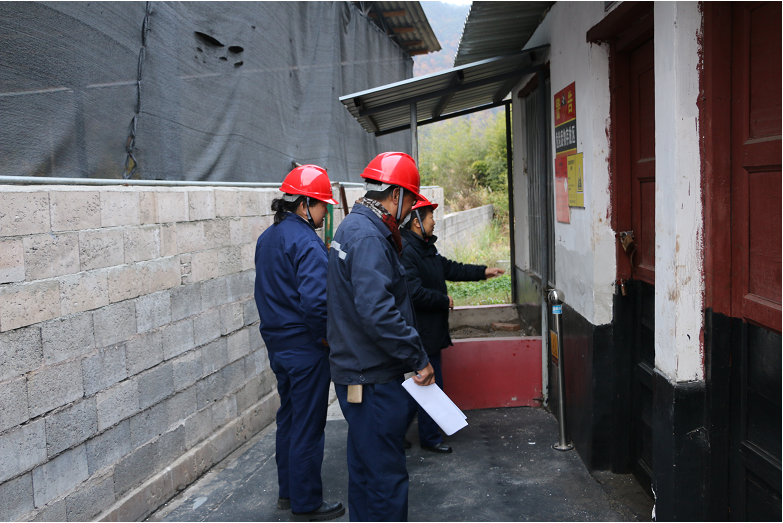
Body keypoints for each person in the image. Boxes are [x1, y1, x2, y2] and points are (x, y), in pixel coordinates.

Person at [327, 152, 435, 522]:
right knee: (386, 478)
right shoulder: (369, 236)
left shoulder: (352, 226)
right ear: (397, 194)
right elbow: (378, 312)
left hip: (358, 370)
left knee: (364, 469)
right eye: (410, 201)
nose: (409, 211)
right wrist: (418, 357)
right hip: (371, 376)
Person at [254, 165, 345, 522]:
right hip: (306, 348)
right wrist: (326, 338)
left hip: (278, 346)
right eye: (322, 206)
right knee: (308, 424)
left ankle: (288, 493)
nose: (325, 214)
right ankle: (306, 503)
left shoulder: (267, 238)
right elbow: (317, 303)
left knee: (290, 419)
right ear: (305, 204)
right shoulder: (306, 242)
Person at [400, 196, 505, 454]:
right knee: (430, 384)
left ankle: (394, 433)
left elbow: (449, 268)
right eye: (430, 217)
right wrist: (443, 299)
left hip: (431, 329)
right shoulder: (406, 251)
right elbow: (414, 293)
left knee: (423, 384)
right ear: (417, 222)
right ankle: (429, 438)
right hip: (421, 330)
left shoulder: (426, 247)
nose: (434, 222)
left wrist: (483, 272)